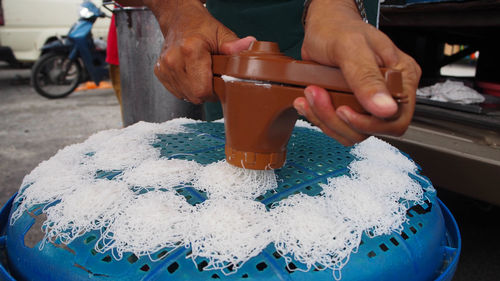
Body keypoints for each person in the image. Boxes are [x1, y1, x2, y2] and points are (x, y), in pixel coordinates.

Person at [142, 0, 421, 146]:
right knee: (236, 152)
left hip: (336, 24)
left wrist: (336, 5)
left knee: (345, 125)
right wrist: (176, 9)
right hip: (228, 30)